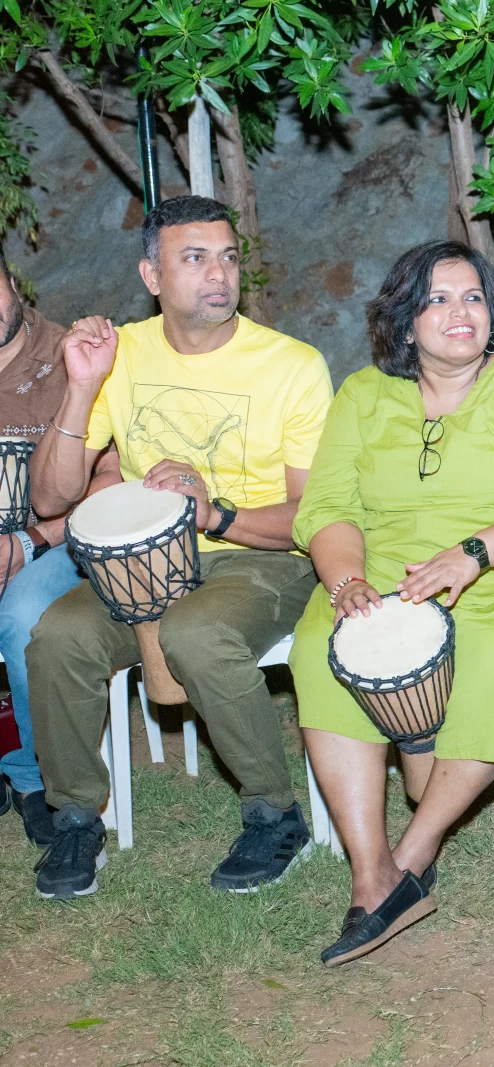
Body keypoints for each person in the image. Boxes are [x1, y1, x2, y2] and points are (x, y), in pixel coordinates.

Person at [290, 240, 494, 965]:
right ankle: (372, 872)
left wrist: (474, 553)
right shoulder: (364, 395)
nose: (459, 311)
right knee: (321, 645)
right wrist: (345, 582)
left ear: (492, 313)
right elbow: (328, 505)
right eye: (436, 298)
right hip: (390, 568)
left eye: (472, 296)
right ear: (403, 322)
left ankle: (414, 849)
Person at [27, 195, 331, 899]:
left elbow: (314, 518)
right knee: (58, 635)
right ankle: (75, 816)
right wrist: (80, 387)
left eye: (227, 256)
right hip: (142, 563)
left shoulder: (292, 366)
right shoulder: (120, 354)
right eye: (193, 258)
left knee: (197, 633)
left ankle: (275, 812)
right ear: (151, 275)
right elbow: (49, 499)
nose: (217, 274)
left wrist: (216, 511)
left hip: (263, 557)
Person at [0, 247, 119, 847]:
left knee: (23, 612)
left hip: (63, 546)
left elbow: (116, 479)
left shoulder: (72, 359)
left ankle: (35, 775)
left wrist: (29, 540)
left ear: (14, 283)